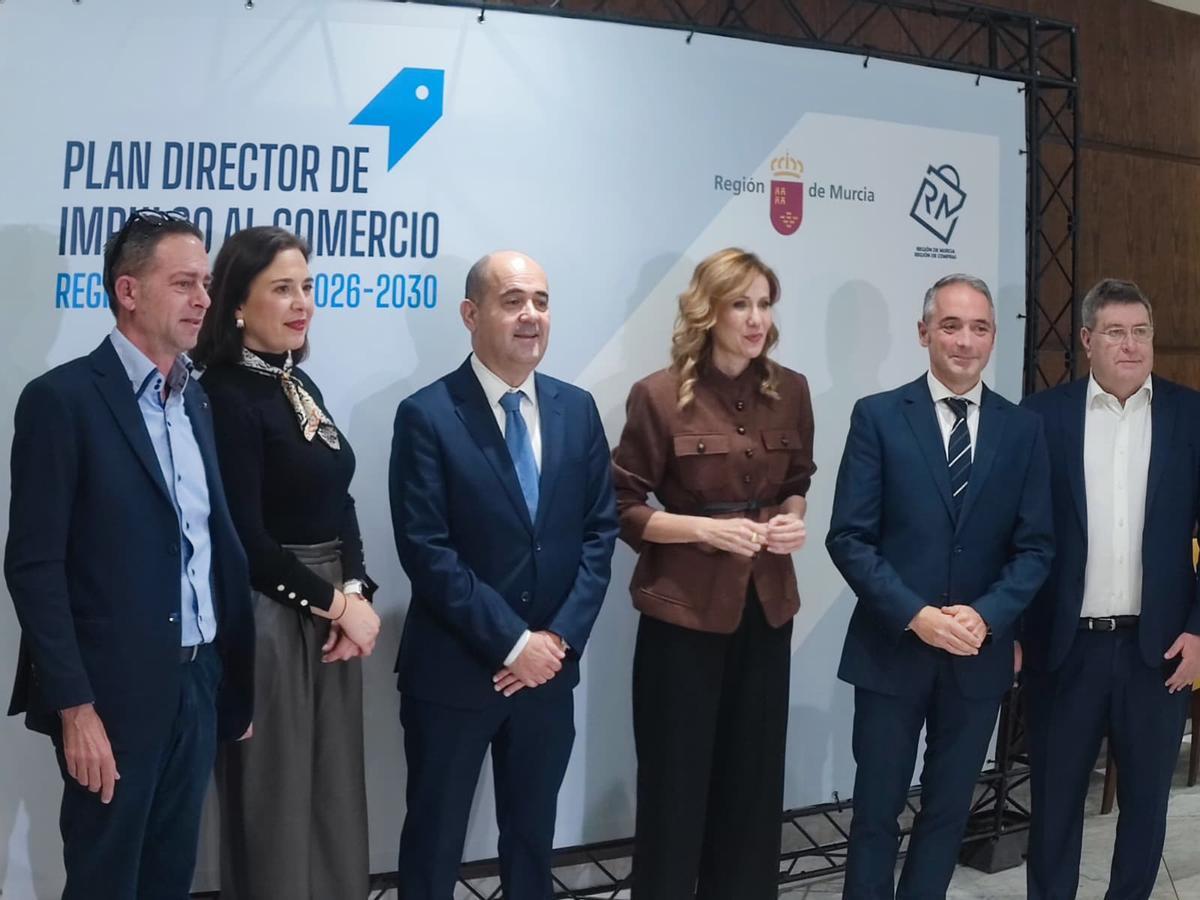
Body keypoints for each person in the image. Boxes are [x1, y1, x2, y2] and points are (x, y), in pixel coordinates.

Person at [4, 208, 254, 900]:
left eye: (205, 283)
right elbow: (34, 566)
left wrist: (228, 678)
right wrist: (75, 708)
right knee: (107, 880)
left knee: (170, 876)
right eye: (184, 283)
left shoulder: (195, 400)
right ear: (128, 291)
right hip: (110, 698)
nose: (205, 299)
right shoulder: (63, 401)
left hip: (196, 683)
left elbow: (212, 546)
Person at [389, 250, 618, 899]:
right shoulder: (428, 415)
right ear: (471, 314)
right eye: (513, 301)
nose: (531, 317)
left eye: (541, 302)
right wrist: (514, 643)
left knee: (530, 844)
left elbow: (600, 533)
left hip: (549, 674)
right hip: (457, 672)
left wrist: (556, 641)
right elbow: (427, 550)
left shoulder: (577, 410)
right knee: (434, 847)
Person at [826, 273, 1054, 898]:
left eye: (979, 327)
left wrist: (986, 616)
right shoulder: (877, 416)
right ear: (925, 331)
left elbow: (1036, 548)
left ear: (993, 338)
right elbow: (848, 537)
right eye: (951, 325)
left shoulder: (1021, 429)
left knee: (948, 814)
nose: (965, 340)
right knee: (875, 814)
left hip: (975, 659)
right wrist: (918, 615)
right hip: (891, 652)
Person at [610, 247, 814, 899]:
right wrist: (705, 529)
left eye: (764, 304)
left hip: (768, 610)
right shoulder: (657, 395)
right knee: (675, 791)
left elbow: (798, 481)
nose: (756, 319)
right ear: (708, 311)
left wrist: (791, 518)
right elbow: (622, 508)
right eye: (740, 304)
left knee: (753, 792)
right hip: (683, 617)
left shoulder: (793, 390)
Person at [192, 225, 381, 900]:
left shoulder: (299, 383)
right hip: (271, 621)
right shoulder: (223, 394)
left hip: (333, 613)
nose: (302, 302)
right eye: (282, 288)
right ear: (237, 303)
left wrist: (354, 588)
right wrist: (338, 607)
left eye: (306, 286)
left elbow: (339, 495)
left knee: (332, 799)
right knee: (273, 804)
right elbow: (245, 541)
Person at [1021, 278, 1200, 900]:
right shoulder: (1041, 418)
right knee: (1053, 810)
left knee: (1147, 811)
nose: (1132, 345)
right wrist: (1015, 630)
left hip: (1159, 653)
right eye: (1117, 333)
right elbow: (1018, 535)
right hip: (1064, 649)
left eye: (1142, 332)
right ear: (1088, 340)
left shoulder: (1191, 415)